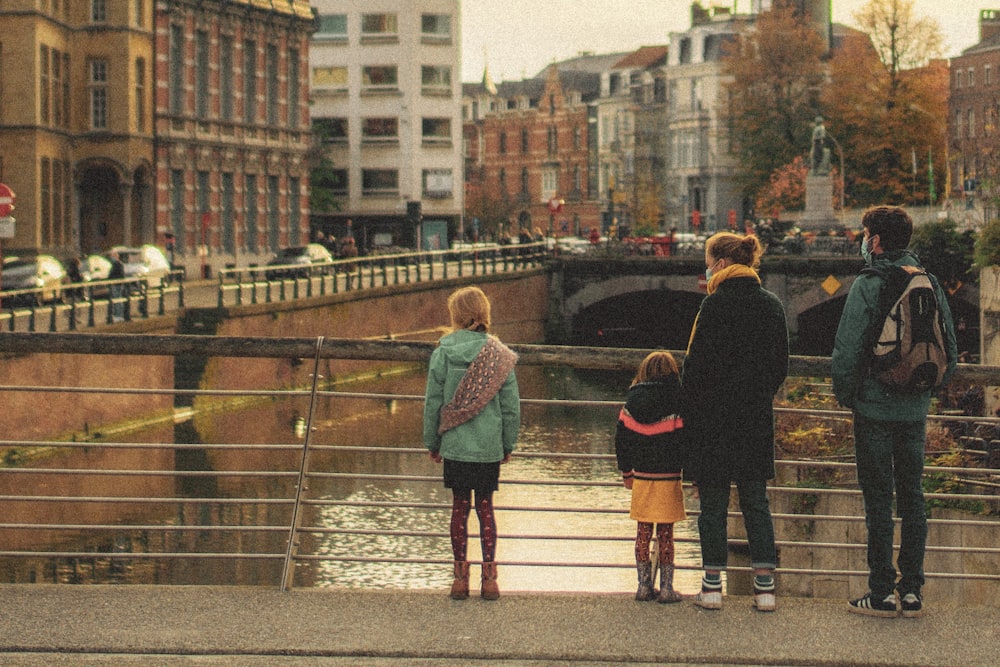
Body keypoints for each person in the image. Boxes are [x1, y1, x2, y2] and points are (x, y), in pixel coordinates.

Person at [831, 206, 958, 618]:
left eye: (866, 234)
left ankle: (882, 591)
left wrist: (848, 395)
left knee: (878, 500)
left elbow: (847, 350)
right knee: (913, 497)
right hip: (914, 410)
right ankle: (913, 590)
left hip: (874, 407)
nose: (863, 241)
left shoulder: (869, 283)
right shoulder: (929, 282)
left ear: (877, 241)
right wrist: (923, 391)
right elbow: (950, 352)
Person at [681, 232, 788, 612]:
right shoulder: (772, 305)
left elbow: (693, 369)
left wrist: (693, 415)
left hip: (713, 421)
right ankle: (764, 590)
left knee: (712, 505)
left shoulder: (712, 306)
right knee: (755, 502)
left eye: (709, 261)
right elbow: (779, 367)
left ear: (722, 264)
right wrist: (756, 395)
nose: (707, 268)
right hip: (754, 419)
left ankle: (712, 588)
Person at [423, 286, 520, 601]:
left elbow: (433, 402)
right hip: (489, 445)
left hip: (455, 444)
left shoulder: (443, 352)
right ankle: (490, 579)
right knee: (486, 508)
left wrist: (432, 440)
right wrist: (507, 445)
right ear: (484, 314)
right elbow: (510, 407)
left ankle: (459, 578)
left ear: (456, 316)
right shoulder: (499, 355)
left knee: (459, 507)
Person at [614, 350, 686, 603]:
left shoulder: (632, 400)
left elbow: (621, 439)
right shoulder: (679, 399)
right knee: (666, 534)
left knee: (643, 532)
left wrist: (627, 472)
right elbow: (684, 439)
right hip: (669, 475)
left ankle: (643, 585)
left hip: (642, 476)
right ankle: (666, 588)